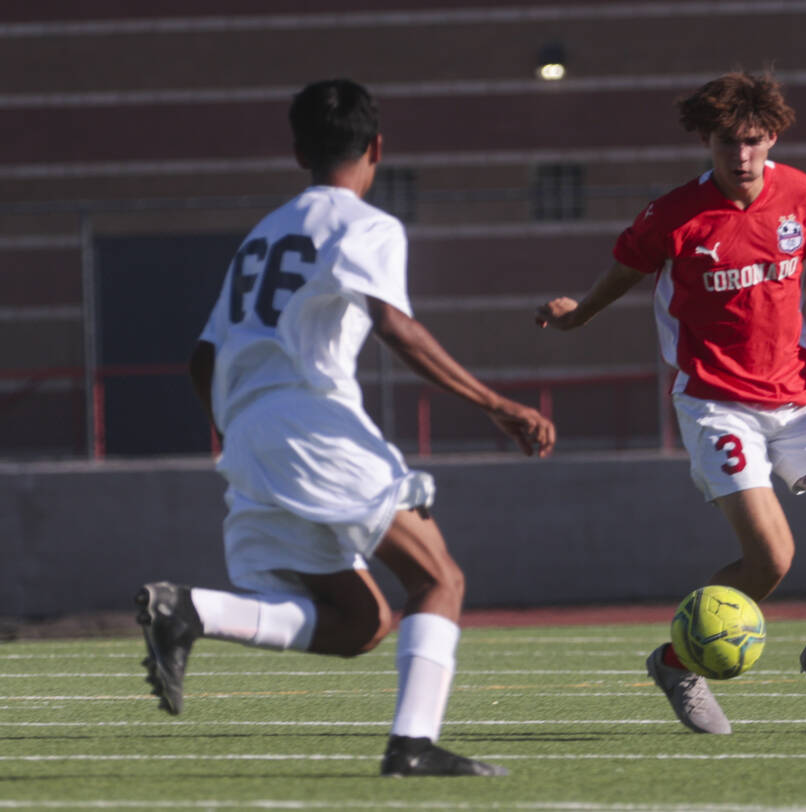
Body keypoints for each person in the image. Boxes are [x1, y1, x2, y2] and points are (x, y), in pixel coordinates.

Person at [136, 78, 555, 777]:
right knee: (438, 579)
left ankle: (191, 610)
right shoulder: (368, 225)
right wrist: (498, 405)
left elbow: (201, 358)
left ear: (299, 150)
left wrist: (241, 431)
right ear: (378, 149)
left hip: (248, 435)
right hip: (314, 427)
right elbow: (395, 324)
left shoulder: (259, 236)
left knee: (359, 623)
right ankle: (412, 748)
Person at [536, 71, 806, 734]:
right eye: (728, 141)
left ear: (773, 138)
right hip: (716, 404)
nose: (741, 155)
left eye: (753, 140)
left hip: (800, 399)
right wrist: (580, 315)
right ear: (706, 139)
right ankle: (678, 663)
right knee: (773, 560)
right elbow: (626, 268)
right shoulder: (676, 214)